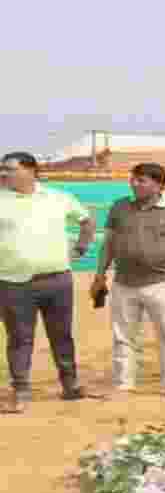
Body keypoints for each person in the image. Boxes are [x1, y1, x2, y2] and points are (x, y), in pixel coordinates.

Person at [91, 163, 165, 399]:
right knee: (123, 335)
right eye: (133, 179)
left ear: (158, 185)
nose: (134, 184)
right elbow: (109, 244)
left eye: (141, 180)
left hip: (160, 284)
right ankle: (124, 384)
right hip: (123, 283)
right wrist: (99, 275)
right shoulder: (120, 207)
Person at [0, 152, 99, 412]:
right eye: (3, 169)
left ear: (32, 171)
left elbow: (87, 221)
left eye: (10, 169)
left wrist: (81, 248)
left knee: (62, 335)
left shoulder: (58, 198)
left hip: (57, 281)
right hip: (13, 283)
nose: (5, 173)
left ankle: (70, 385)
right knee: (20, 338)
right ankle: (20, 391)